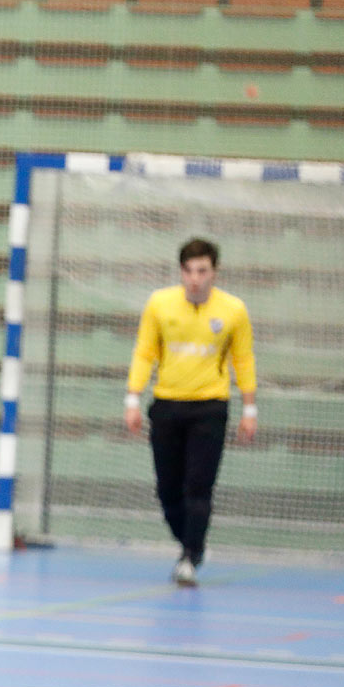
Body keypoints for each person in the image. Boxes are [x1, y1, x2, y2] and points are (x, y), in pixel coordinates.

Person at [125, 237, 257, 587]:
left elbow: (243, 359)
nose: (195, 278)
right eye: (188, 270)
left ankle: (190, 556)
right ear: (180, 272)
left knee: (198, 486)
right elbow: (144, 352)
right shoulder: (159, 304)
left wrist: (250, 408)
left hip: (210, 408)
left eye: (202, 270)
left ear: (214, 272)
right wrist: (133, 399)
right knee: (168, 490)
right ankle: (190, 543)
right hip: (167, 405)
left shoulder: (233, 311)